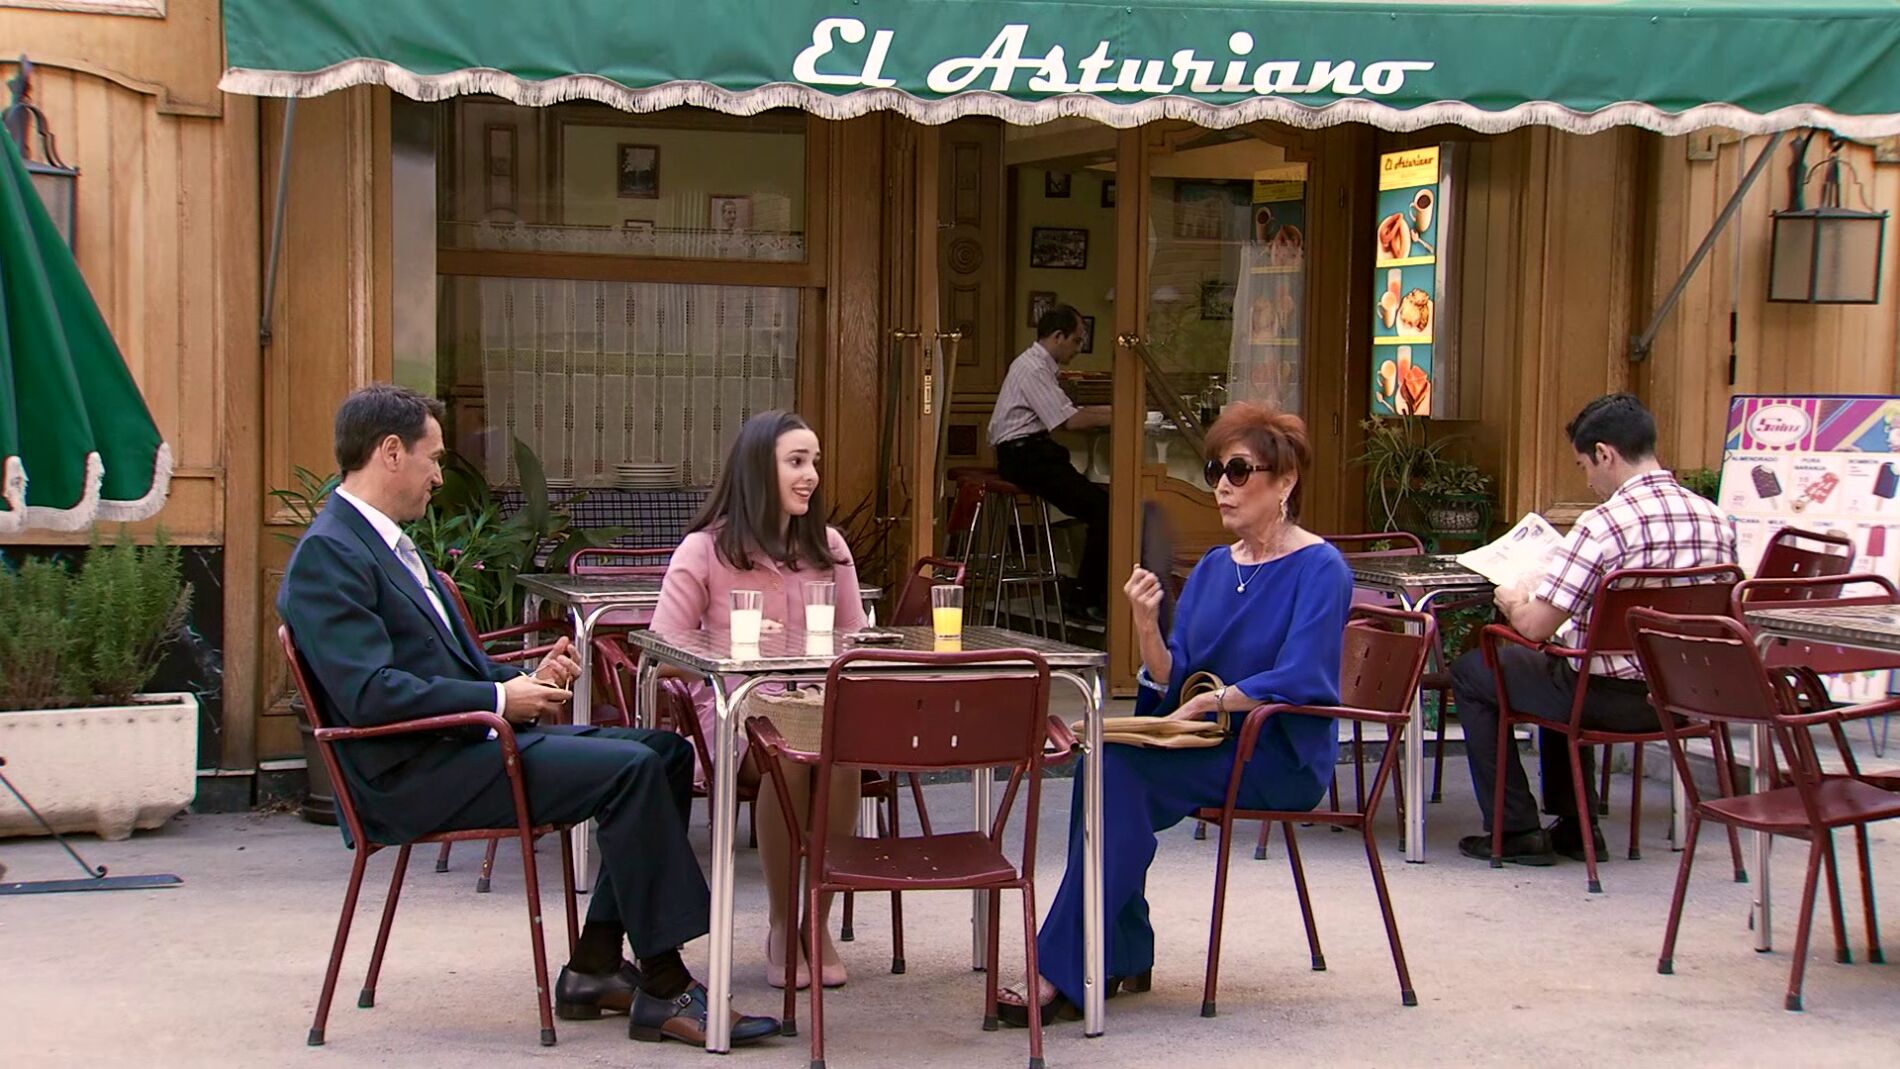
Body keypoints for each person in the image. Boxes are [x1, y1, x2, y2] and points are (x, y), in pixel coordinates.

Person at [277, 384, 778, 1047]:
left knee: (665, 751)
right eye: (433, 458)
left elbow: (440, 664)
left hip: (459, 745)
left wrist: (521, 680)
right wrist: (496, 702)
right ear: (390, 452)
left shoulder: (385, 544)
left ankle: (595, 966)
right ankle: (663, 985)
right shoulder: (330, 552)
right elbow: (371, 693)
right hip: (409, 770)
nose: (437, 475)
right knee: (630, 770)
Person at [999, 403, 1353, 1024]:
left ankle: (1065, 963)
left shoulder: (1321, 568)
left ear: (1286, 481)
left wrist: (1215, 700)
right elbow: (1173, 677)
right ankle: (1119, 949)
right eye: (1216, 468)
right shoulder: (1217, 567)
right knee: (1100, 764)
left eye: (1239, 470)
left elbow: (1304, 676)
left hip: (1275, 752)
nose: (1221, 483)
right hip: (1204, 741)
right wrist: (1144, 624)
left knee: (1122, 774)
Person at [1452, 393, 1737, 866]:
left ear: (1605, 454)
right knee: (1558, 667)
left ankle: (1515, 828)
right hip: (1684, 699)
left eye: (1584, 464)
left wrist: (1512, 597)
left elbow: (1536, 626)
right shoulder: (1716, 520)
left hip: (1605, 698)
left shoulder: (1603, 525)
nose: (1586, 479)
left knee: (1478, 669)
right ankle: (1576, 825)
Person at [649, 410, 866, 991]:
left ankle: (812, 922)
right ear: (756, 470)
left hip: (820, 704)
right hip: (737, 713)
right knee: (788, 756)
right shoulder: (704, 550)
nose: (811, 475)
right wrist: (727, 639)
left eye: (814, 462)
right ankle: (778, 921)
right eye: (796, 461)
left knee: (842, 754)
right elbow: (660, 654)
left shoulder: (830, 548)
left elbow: (858, 638)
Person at [988, 304, 1113, 617]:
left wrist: (1111, 413)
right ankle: (1083, 597)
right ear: (1059, 336)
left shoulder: (1037, 366)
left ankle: (1083, 588)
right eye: (1077, 340)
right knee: (1104, 510)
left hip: (1031, 452)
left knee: (1099, 504)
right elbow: (1067, 421)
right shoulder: (1033, 369)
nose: (1079, 348)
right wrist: (1120, 415)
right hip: (1024, 455)